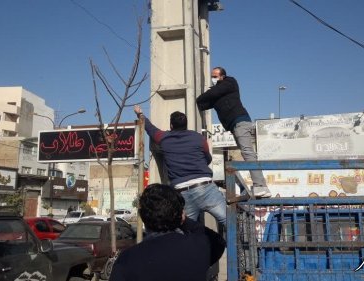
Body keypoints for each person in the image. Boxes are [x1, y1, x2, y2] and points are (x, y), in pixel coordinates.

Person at [110, 184, 226, 281]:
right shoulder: (199, 246)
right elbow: (218, 242)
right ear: (181, 215)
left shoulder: (128, 259)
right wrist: (185, 221)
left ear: (143, 217)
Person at [134, 105, 227, 225]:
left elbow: (150, 128)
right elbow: (207, 159)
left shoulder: (164, 138)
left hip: (182, 193)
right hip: (206, 188)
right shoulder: (198, 138)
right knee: (229, 222)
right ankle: (233, 244)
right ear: (186, 125)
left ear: (171, 126)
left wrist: (140, 114)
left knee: (186, 231)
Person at [196, 66, 272, 198]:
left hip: (241, 121)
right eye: (212, 76)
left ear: (222, 76)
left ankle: (261, 186)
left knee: (248, 153)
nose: (213, 79)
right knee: (246, 153)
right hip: (234, 125)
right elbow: (203, 103)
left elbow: (211, 94)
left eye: (215, 76)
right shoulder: (217, 93)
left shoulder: (230, 82)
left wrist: (204, 95)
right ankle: (260, 186)